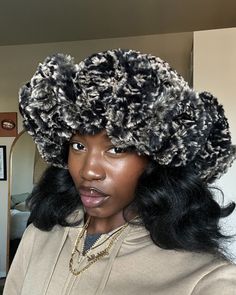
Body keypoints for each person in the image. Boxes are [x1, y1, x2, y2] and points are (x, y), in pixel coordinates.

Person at [3, 49, 236, 295]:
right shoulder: (37, 237)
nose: (89, 171)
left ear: (156, 159)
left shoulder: (208, 280)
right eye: (78, 146)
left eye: (117, 149)